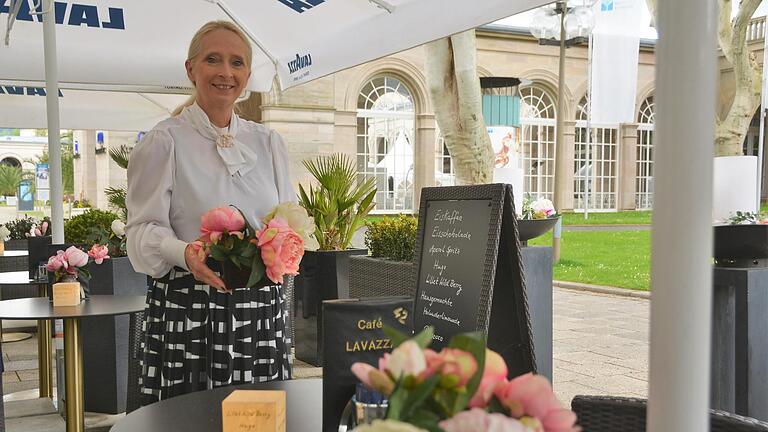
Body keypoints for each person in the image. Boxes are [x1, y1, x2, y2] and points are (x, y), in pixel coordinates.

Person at [126, 20, 294, 405]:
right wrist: (182, 252)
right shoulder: (163, 141)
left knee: (259, 421)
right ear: (191, 69)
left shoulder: (269, 143)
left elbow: (285, 222)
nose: (225, 72)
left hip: (260, 312)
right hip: (189, 310)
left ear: (248, 75)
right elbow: (139, 233)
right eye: (213, 60)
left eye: (237, 63)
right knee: (191, 419)